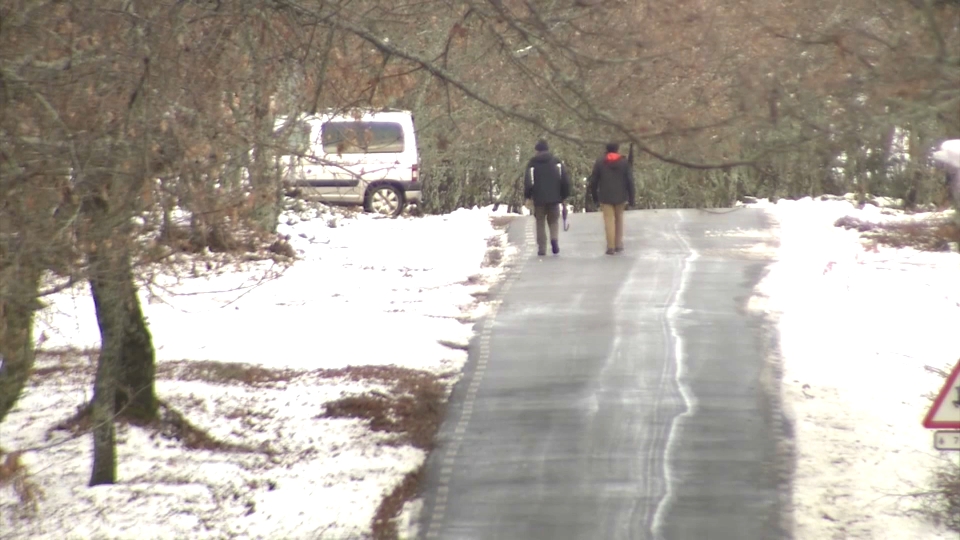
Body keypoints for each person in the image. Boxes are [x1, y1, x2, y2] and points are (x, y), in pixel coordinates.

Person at [524, 139, 572, 256]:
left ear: (537, 150)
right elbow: (564, 180)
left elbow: (529, 182)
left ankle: (542, 248)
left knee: (540, 222)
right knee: (554, 221)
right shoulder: (557, 162)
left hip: (539, 198)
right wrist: (564, 195)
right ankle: (554, 240)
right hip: (555, 197)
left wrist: (528, 196)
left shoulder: (532, 164)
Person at [587, 142, 636, 255]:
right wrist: (632, 197)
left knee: (609, 221)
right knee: (619, 219)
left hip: (605, 196)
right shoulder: (624, 162)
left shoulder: (600, 162)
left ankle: (610, 246)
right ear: (617, 149)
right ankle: (618, 244)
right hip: (621, 195)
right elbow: (630, 181)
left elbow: (593, 181)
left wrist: (595, 196)